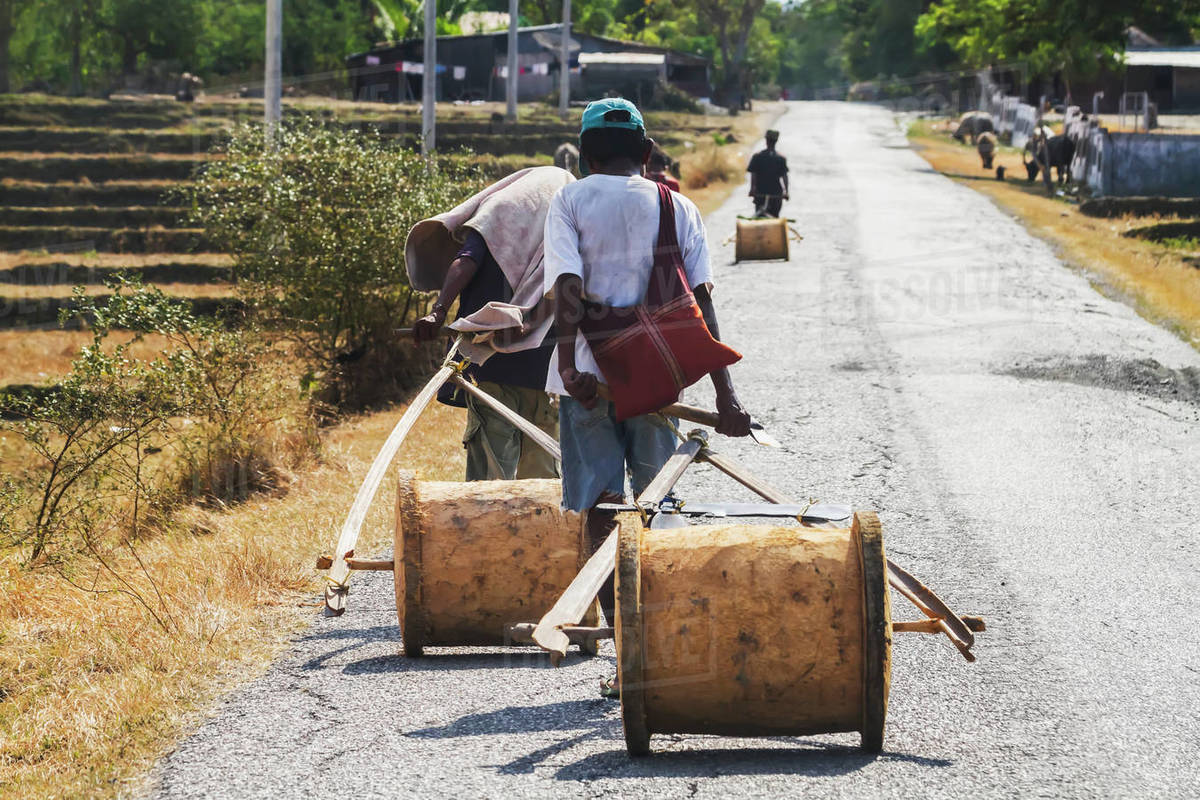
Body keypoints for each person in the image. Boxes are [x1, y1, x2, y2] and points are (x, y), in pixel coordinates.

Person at [544, 101, 752, 701]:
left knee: (603, 508)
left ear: (585, 154)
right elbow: (701, 304)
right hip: (658, 386)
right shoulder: (675, 204)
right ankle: (653, 647)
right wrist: (727, 397)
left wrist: (566, 366)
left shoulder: (572, 200)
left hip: (587, 380)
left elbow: (568, 289)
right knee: (656, 509)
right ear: (645, 151)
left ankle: (622, 645)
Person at [407, 167, 574, 481]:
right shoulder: (566, 220)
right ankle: (538, 528)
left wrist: (438, 313)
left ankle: (489, 524)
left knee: (489, 470)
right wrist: (532, 321)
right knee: (541, 470)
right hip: (541, 363)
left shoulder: (497, 212)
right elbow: (569, 288)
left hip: (489, 359)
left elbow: (465, 261)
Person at [746, 129, 789, 217]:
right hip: (776, 194)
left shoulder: (757, 156)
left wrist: (752, 189)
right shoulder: (781, 158)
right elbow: (784, 176)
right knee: (775, 218)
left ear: (766, 140)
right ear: (776, 141)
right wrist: (786, 192)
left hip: (760, 193)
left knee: (760, 216)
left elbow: (753, 174)